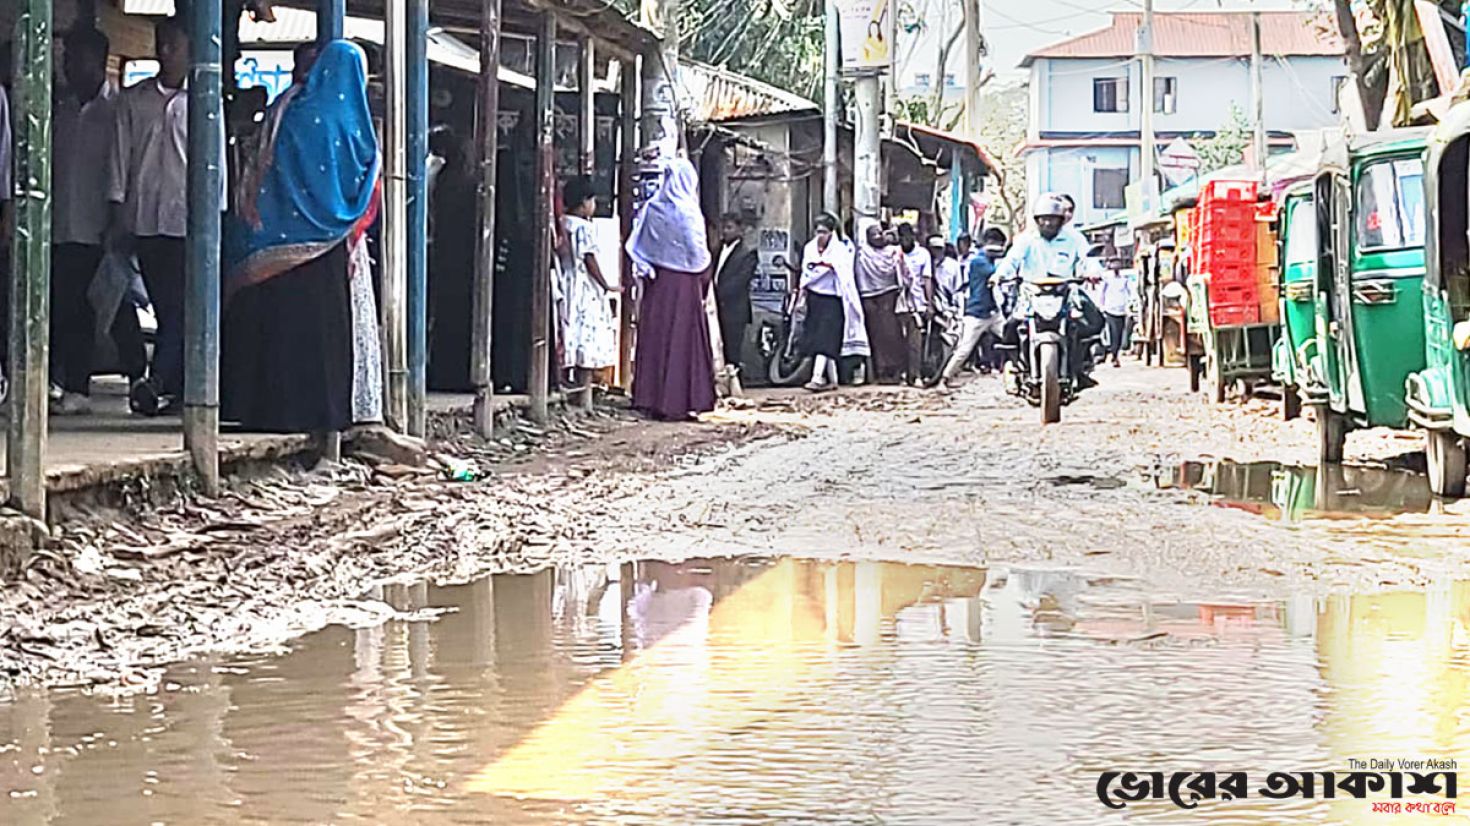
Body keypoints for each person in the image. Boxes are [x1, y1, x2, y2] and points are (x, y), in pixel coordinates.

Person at [223, 39, 382, 434]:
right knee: (323, 335)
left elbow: (263, 170)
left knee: (280, 330)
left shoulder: (291, 115)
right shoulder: (354, 126)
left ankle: (269, 410)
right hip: (332, 248)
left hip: (279, 243)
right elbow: (365, 182)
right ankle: (326, 413)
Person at [50, 27, 137, 415]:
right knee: (74, 305)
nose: (68, 65)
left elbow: (122, 166)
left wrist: (118, 219)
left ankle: (131, 375)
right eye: (66, 57)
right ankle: (76, 383)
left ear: (99, 62)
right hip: (64, 223)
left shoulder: (117, 110)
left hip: (100, 224)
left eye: (75, 57)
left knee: (110, 304)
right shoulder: (61, 110)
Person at [109, 16, 192, 416]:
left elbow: (215, 168)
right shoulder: (134, 99)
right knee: (162, 304)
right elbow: (119, 158)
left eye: (173, 46)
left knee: (180, 305)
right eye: (161, 44)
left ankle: (158, 380)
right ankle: (171, 383)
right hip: (145, 217)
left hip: (187, 222)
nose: (165, 52)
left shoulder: (203, 103)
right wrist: (117, 208)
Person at [626, 158, 717, 420]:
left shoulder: (652, 208)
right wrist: (702, 273)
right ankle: (680, 401)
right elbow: (697, 251)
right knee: (682, 341)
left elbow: (636, 245)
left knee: (657, 337)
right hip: (684, 285)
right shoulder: (688, 212)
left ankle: (650, 398)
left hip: (658, 283)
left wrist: (649, 266)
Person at [993, 194, 1104, 388]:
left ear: (1061, 220)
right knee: (1010, 327)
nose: (1048, 223)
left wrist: (1093, 272)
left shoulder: (1074, 238)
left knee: (1094, 321)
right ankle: (1014, 367)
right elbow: (1012, 260)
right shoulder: (1026, 239)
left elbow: (1088, 258)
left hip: (1066, 292)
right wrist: (999, 275)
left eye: (1052, 219)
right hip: (1031, 293)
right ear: (1036, 220)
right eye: (1043, 219)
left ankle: (1081, 366)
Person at [558, 176, 620, 389]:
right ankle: (583, 384)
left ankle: (563, 377)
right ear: (584, 202)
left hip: (564, 281)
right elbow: (589, 258)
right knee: (585, 332)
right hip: (583, 285)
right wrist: (605, 284)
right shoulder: (584, 228)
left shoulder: (562, 222)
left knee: (566, 327)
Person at [797, 213, 868, 392]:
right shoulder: (809, 248)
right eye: (818, 231)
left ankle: (817, 377)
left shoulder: (840, 250)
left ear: (831, 233)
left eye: (824, 232)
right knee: (816, 338)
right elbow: (808, 271)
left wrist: (825, 267)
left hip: (833, 299)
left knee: (826, 338)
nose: (820, 236)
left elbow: (843, 274)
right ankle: (833, 379)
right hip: (815, 297)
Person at [938, 226, 1007, 387]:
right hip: (976, 313)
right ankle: (945, 378)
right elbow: (999, 273)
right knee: (964, 349)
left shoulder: (987, 259)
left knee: (1011, 339)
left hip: (993, 313)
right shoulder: (979, 261)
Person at [854, 220, 905, 383]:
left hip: (889, 296)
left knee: (892, 333)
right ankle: (879, 370)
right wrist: (865, 297)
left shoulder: (893, 253)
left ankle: (895, 369)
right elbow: (860, 277)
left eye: (879, 232)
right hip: (870, 298)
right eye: (873, 234)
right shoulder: (862, 254)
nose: (878, 236)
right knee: (875, 335)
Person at [713, 212, 758, 373]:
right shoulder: (718, 249)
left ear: (740, 230)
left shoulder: (747, 254)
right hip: (717, 307)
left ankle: (734, 382)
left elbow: (740, 282)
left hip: (734, 309)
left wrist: (718, 294)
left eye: (729, 227)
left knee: (732, 351)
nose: (725, 231)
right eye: (723, 228)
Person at [1099, 262, 1132, 367]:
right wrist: (1102, 306)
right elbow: (1102, 293)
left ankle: (1115, 354)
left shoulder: (1124, 279)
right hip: (1110, 309)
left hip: (1121, 310)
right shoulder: (1107, 279)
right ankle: (1113, 355)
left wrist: (1129, 304)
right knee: (1113, 333)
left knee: (1119, 334)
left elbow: (1129, 292)